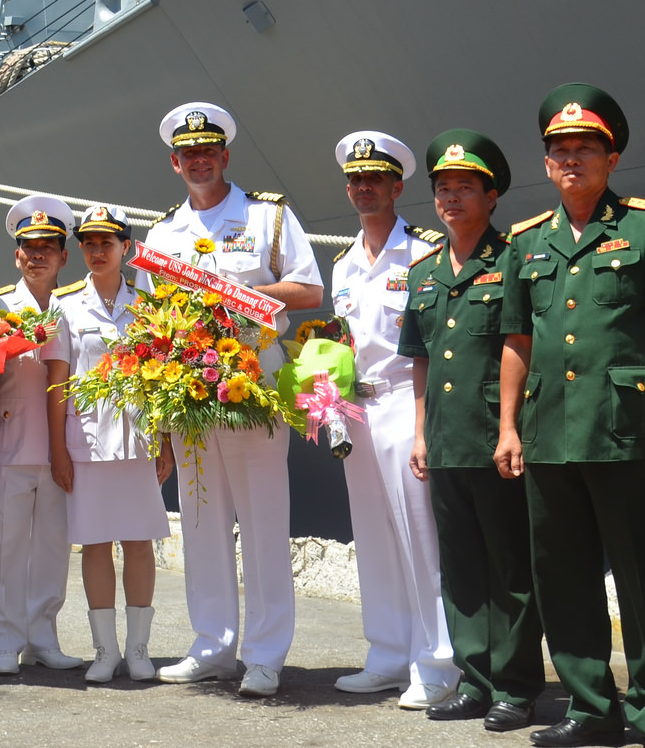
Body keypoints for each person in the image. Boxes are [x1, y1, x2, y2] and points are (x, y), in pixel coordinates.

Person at [496, 85, 645, 748]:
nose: (571, 160)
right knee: (562, 578)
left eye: (585, 148)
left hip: (625, 434)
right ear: (547, 163)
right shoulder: (526, 241)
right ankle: (590, 709)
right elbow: (517, 341)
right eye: (560, 151)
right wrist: (508, 428)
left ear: (612, 159)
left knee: (641, 579)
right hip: (548, 434)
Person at [140, 103, 322, 695]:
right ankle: (212, 645)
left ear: (225, 155)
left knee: (264, 522)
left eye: (208, 151)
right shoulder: (163, 234)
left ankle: (265, 654)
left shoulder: (267, 217)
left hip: (254, 387)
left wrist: (237, 293)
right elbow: (150, 321)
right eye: (188, 153)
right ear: (175, 163)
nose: (199, 160)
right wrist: (158, 419)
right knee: (200, 521)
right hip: (188, 391)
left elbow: (309, 289)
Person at [399, 130, 544, 730]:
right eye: (442, 189)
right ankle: (475, 680)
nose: (451, 198)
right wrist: (420, 434)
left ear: (491, 197)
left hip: (493, 435)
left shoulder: (513, 259)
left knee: (509, 565)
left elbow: (519, 343)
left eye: (464, 188)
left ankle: (515, 686)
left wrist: (509, 427)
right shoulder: (423, 272)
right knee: (459, 566)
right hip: (446, 437)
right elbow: (421, 360)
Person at [327, 131, 459, 709]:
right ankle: (387, 654)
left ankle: (439, 663)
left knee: (421, 536)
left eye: (375, 179)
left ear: (396, 187)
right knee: (374, 534)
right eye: (355, 180)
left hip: (409, 401)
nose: (364, 188)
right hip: (356, 408)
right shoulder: (344, 263)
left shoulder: (425, 251)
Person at [44, 204, 173, 683]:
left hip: (138, 440)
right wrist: (57, 449)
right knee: (95, 545)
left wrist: (166, 440)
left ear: (126, 248)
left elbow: (162, 379)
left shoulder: (148, 304)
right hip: (87, 444)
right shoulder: (64, 304)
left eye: (107, 242)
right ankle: (105, 651)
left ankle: (139, 650)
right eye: (90, 243)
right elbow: (57, 383)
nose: (98, 251)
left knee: (139, 542)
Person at [0, 195, 83, 676]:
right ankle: (4, 641)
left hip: (63, 446)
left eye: (48, 247)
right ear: (16, 254)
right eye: (29, 247)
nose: (38, 255)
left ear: (64, 256)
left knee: (52, 546)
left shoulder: (74, 309)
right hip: (9, 441)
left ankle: (42, 637)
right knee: (4, 546)